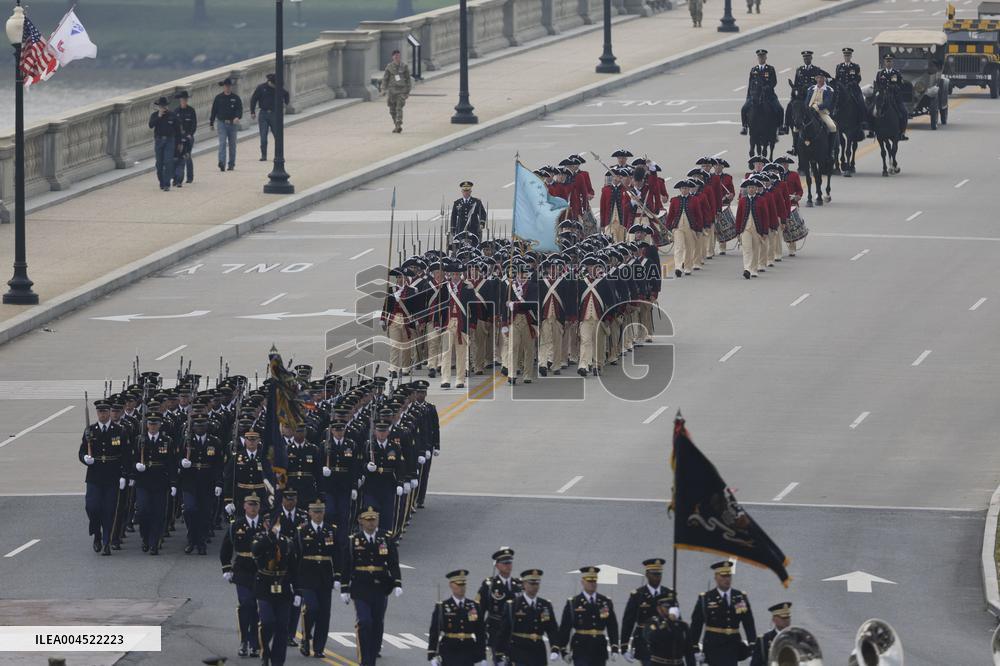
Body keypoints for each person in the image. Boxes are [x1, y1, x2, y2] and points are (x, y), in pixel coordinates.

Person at [340, 506, 403, 666]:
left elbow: (393, 562)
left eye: (373, 520)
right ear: (362, 522)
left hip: (380, 586)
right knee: (364, 621)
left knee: (377, 622)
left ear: (377, 520)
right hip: (361, 586)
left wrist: (397, 582)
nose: (371, 523)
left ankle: (373, 652)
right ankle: (365, 659)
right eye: (368, 520)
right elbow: (347, 565)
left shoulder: (386, 538)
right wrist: (344, 587)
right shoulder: (354, 540)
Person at [220, 494, 266, 658]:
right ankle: (244, 641)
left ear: (259, 507)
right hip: (242, 570)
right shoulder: (237, 525)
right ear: (244, 506)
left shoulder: (264, 525)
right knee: (246, 604)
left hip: (260, 571)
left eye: (255, 505)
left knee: (257, 608)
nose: (253, 508)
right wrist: (226, 568)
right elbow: (226, 547)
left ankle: (254, 644)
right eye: (249, 504)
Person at [79, 400, 127, 556]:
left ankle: (107, 541)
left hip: (112, 476)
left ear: (109, 413)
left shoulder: (119, 430)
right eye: (100, 412)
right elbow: (81, 452)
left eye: (105, 412)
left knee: (109, 510)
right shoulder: (90, 431)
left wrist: (124, 475)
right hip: (95, 476)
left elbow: (126, 455)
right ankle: (96, 533)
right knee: (92, 507)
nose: (103, 415)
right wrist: (86, 458)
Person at [294, 501, 341, 658]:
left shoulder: (331, 530)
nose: (318, 515)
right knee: (311, 608)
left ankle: (319, 647)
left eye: (320, 512)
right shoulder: (302, 531)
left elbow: (338, 554)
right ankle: (306, 639)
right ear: (310, 514)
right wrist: (296, 580)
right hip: (307, 575)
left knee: (324, 613)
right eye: (315, 512)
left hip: (325, 576)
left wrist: (338, 576)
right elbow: (297, 556)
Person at [689, 561, 756, 666]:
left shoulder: (738, 597)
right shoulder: (706, 598)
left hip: (733, 646)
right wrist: (694, 648)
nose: (727, 579)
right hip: (713, 646)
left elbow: (748, 623)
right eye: (723, 576)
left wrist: (752, 646)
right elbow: (696, 625)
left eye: (729, 576)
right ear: (716, 577)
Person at [252, 515, 298, 666]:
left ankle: (278, 661)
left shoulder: (287, 542)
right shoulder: (260, 538)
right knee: (267, 621)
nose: (273, 525)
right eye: (269, 522)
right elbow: (256, 551)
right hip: (265, 585)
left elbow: (293, 567)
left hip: (282, 586)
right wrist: (271, 535)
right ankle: (265, 652)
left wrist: (298, 590)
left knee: (282, 626)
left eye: (276, 523)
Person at [494, 568, 561, 665]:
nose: (535, 587)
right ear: (524, 584)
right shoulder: (513, 605)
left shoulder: (545, 605)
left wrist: (554, 647)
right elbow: (504, 630)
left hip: (538, 651)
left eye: (537, 584)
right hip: (518, 651)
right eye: (532, 583)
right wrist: (499, 652)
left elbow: (552, 628)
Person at [133, 412, 176, 555]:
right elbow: (131, 458)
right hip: (143, 481)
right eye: (150, 424)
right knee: (143, 511)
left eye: (155, 424)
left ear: (159, 425)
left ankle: (154, 543)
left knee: (158, 513)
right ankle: (145, 537)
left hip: (160, 481)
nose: (152, 426)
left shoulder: (167, 441)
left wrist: (173, 483)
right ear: (146, 425)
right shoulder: (139, 440)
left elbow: (171, 463)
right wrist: (136, 467)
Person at [178, 416, 223, 556]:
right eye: (197, 426)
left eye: (202, 425)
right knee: (190, 510)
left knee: (204, 513)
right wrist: (182, 462)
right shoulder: (186, 441)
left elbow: (218, 465)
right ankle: (191, 539)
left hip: (207, 481)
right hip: (190, 482)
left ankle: (201, 542)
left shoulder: (215, 442)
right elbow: (176, 457)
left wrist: (219, 483)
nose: (200, 428)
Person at [557, 566, 620, 665]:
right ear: (583, 582)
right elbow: (565, 627)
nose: (592, 584)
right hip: (581, 648)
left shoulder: (604, 601)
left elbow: (612, 626)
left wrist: (614, 647)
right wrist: (563, 650)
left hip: (599, 648)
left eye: (594, 581)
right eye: (589, 581)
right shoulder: (574, 602)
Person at [619, 558, 677, 663]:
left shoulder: (669, 594)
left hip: (665, 641)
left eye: (659, 574)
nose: (657, 577)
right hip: (645, 641)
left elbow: (677, 621)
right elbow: (628, 621)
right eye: (654, 574)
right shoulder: (638, 595)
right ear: (647, 574)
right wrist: (624, 647)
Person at [427, 569, 487, 665]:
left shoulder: (473, 606)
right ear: (451, 585)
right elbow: (434, 631)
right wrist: (432, 654)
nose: (462, 588)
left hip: (468, 650)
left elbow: (480, 632)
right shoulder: (443, 607)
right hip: (449, 650)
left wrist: (483, 656)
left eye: (463, 585)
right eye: (459, 585)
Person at [475, 547, 523, 664]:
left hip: (515, 629)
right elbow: (479, 610)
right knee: (500, 661)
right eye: (505, 563)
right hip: (496, 629)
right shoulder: (489, 585)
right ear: (497, 566)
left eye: (510, 562)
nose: (508, 565)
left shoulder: (518, 585)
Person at [223, 431, 275, 519]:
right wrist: (228, 500)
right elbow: (229, 479)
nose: (251, 442)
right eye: (249, 439)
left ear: (258, 441)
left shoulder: (265, 458)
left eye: (254, 440)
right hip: (241, 496)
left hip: (261, 494)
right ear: (245, 441)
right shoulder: (237, 457)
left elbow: (271, 478)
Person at [643, 592, 696, 666]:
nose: (670, 610)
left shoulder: (682, 626)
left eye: (673, 607)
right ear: (658, 608)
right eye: (667, 607)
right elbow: (651, 638)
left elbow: (689, 651)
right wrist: (669, 622)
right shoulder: (653, 623)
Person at [740, 50, 785, 136]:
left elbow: (774, 82)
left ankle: (780, 127)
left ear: (765, 58)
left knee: (780, 109)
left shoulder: (770, 69)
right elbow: (750, 84)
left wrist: (767, 87)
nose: (761, 58)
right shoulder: (753, 70)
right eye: (760, 57)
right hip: (755, 95)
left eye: (763, 57)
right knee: (744, 108)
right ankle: (744, 127)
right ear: (758, 58)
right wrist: (748, 96)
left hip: (769, 95)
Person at [665, 180, 703, 277]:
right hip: (678, 227)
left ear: (689, 189)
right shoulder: (675, 200)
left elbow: (699, 215)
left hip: (690, 227)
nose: (684, 190)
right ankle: (678, 267)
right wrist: (668, 227)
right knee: (679, 247)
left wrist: (699, 229)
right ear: (680, 189)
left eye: (686, 188)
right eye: (682, 188)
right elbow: (671, 215)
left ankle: (687, 267)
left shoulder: (695, 200)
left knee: (689, 248)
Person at [250, 73, 290, 161]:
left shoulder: (278, 88)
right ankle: (264, 155)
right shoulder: (261, 88)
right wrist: (252, 111)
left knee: (277, 135)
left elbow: (286, 94)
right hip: (263, 114)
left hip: (275, 114)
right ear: (270, 82)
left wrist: (286, 103)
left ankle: (278, 154)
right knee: (263, 136)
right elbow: (253, 99)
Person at [735, 179, 769, 279]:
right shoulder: (742, 200)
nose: (751, 189)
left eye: (753, 188)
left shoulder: (761, 200)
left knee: (755, 249)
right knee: (747, 249)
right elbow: (739, 216)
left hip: (757, 229)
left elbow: (765, 217)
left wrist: (765, 231)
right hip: (745, 228)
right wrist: (737, 231)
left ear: (756, 189)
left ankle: (754, 269)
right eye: (749, 187)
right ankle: (747, 269)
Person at [210, 78, 243, 171]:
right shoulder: (218, 98)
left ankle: (231, 163)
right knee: (222, 143)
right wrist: (211, 122)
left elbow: (239, 109)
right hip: (222, 123)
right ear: (223, 87)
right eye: (225, 86)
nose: (227, 88)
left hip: (232, 124)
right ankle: (222, 162)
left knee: (232, 145)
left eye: (229, 86)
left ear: (230, 87)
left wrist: (237, 117)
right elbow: (214, 111)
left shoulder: (236, 98)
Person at [872, 54, 909, 140]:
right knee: (872, 111)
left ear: (892, 62)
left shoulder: (896, 73)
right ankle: (873, 130)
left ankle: (902, 132)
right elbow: (877, 85)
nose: (888, 62)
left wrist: (895, 87)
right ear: (884, 62)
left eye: (890, 61)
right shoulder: (880, 73)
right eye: (887, 61)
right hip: (883, 96)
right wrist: (879, 91)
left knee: (904, 113)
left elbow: (901, 85)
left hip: (894, 97)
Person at [807, 71, 839, 163]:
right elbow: (807, 101)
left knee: (832, 127)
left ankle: (830, 150)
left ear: (824, 79)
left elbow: (827, 102)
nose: (820, 79)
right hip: (810, 111)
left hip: (822, 112)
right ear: (816, 79)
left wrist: (817, 107)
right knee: (797, 128)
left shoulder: (829, 89)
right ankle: (797, 148)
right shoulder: (811, 89)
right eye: (818, 78)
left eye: (821, 78)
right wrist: (807, 109)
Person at [148, 97, 179, 192]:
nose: (163, 108)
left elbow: (177, 130)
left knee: (168, 161)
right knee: (159, 163)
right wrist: (159, 116)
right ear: (159, 107)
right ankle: (161, 181)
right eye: (161, 106)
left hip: (170, 141)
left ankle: (167, 183)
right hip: (159, 140)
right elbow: (150, 125)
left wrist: (179, 142)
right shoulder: (154, 115)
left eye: (164, 106)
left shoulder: (172, 115)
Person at [835, 48, 867, 132]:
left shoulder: (855, 66)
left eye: (848, 55)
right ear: (843, 56)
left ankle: (863, 120)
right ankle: (833, 118)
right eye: (845, 55)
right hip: (842, 90)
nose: (847, 57)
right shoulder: (839, 67)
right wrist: (840, 86)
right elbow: (837, 79)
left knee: (861, 102)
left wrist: (852, 83)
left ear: (851, 56)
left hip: (853, 90)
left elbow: (859, 78)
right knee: (834, 102)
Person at [382, 49, 413, 133]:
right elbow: (385, 79)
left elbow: (408, 79)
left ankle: (399, 124)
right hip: (392, 92)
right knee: (392, 110)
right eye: (395, 56)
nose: (397, 58)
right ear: (393, 57)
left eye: (398, 56)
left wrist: (407, 91)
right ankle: (396, 124)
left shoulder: (404, 66)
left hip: (401, 91)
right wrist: (383, 89)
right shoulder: (389, 67)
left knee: (399, 108)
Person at [173, 91, 197, 186]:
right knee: (177, 158)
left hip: (188, 137)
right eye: (182, 100)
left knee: (187, 156)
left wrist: (190, 134)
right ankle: (177, 178)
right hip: (179, 138)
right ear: (180, 100)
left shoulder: (191, 111)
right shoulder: (176, 111)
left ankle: (190, 177)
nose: (184, 101)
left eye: (185, 100)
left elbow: (194, 124)